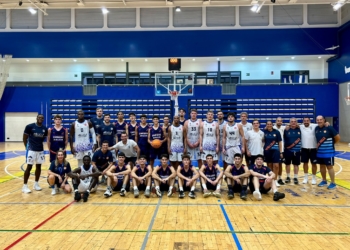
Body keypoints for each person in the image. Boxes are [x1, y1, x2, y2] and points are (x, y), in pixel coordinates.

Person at [22, 114, 48, 193]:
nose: (40, 119)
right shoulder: (29, 126)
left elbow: (43, 138)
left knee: (38, 167)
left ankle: (36, 184)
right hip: (31, 150)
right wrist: (27, 147)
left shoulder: (44, 129)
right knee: (29, 167)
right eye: (39, 117)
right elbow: (24, 138)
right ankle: (25, 186)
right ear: (36, 118)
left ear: (43, 119)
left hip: (40, 150)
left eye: (42, 118)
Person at [315, 115, 340, 189]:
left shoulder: (329, 128)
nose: (319, 121)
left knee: (329, 167)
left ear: (324, 120)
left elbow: (338, 137)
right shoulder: (316, 128)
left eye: (321, 119)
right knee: (322, 166)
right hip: (320, 152)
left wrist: (332, 144)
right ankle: (324, 180)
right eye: (318, 120)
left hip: (329, 152)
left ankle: (333, 183)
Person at [299, 117, 319, 184]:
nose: (306, 122)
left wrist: (327, 123)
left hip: (313, 148)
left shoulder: (315, 125)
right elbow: (291, 125)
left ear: (310, 121)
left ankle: (313, 178)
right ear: (303, 121)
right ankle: (306, 178)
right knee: (305, 163)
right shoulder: (300, 127)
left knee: (314, 164)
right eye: (305, 121)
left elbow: (323, 124)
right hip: (304, 148)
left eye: (307, 121)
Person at [263, 120, 283, 187]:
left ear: (272, 125)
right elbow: (262, 141)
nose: (269, 125)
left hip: (276, 151)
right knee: (269, 165)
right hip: (267, 151)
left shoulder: (277, 132)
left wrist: (281, 151)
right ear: (266, 125)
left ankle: (275, 180)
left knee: (276, 166)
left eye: (270, 124)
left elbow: (280, 142)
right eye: (267, 124)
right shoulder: (264, 132)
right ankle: (271, 180)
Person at [283, 118, 301, 185]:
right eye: (292, 121)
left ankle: (295, 177)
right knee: (287, 164)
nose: (293, 123)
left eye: (294, 121)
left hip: (297, 150)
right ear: (290, 122)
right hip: (288, 150)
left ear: (297, 122)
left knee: (296, 164)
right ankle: (288, 177)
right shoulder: (286, 130)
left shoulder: (300, 129)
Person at [273, 117, 286, 185]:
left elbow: (290, 125)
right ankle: (273, 178)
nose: (279, 122)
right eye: (278, 121)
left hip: (281, 149)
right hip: (273, 148)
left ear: (282, 122)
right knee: (273, 165)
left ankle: (280, 178)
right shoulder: (272, 128)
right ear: (276, 121)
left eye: (280, 121)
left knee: (280, 164)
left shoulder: (283, 128)